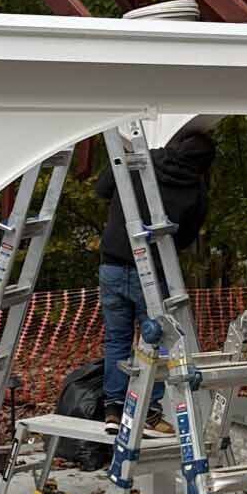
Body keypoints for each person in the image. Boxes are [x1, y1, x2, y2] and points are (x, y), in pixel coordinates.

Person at [96, 117, 218, 431]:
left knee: (117, 339)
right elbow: (187, 236)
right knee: (157, 341)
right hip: (151, 271)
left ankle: (114, 408)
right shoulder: (195, 190)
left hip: (112, 265)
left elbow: (103, 188)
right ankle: (148, 410)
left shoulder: (142, 158)